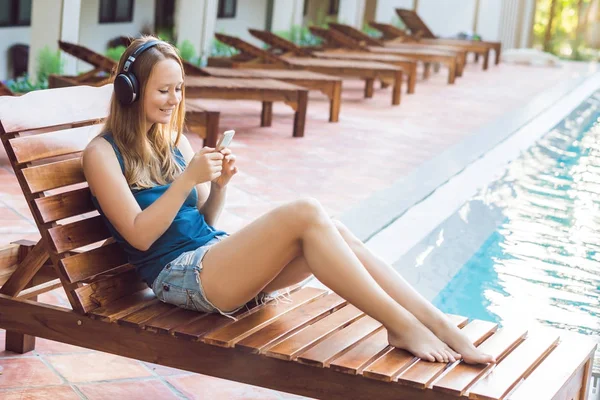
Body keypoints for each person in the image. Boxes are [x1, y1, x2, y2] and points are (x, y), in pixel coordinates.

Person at [83, 36, 494, 365]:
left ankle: (437, 322)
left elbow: (202, 216)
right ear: (129, 90)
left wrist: (219, 185)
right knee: (306, 212)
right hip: (179, 278)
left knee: (336, 230)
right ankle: (401, 325)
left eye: (179, 89)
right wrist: (185, 181)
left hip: (213, 261)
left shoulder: (172, 140)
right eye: (163, 90)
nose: (174, 100)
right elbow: (139, 236)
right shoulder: (102, 153)